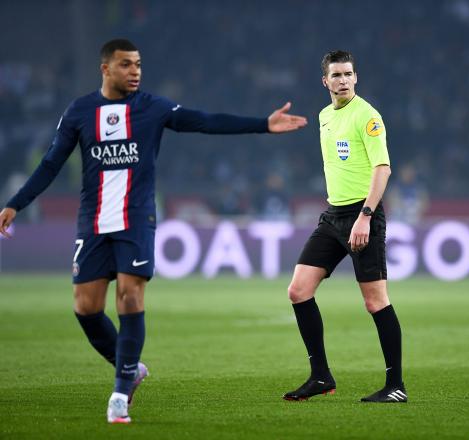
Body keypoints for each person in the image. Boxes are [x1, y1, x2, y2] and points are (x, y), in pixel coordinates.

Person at [0, 38, 307, 424]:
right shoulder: (80, 111)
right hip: (93, 221)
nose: (135, 72)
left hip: (136, 218)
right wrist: (15, 203)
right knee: (86, 307)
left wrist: (263, 125)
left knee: (130, 296)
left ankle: (119, 393)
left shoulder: (152, 108)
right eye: (127, 65)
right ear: (106, 69)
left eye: (139, 64)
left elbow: (205, 122)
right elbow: (50, 164)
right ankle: (131, 368)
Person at [283, 50, 406, 403]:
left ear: (356, 77)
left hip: (362, 214)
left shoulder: (367, 117)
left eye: (348, 74)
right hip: (333, 215)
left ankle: (395, 385)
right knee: (298, 290)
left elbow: (382, 169)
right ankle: (320, 376)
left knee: (375, 301)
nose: (342, 80)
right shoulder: (324, 116)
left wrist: (365, 216)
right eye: (336, 75)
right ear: (325, 81)